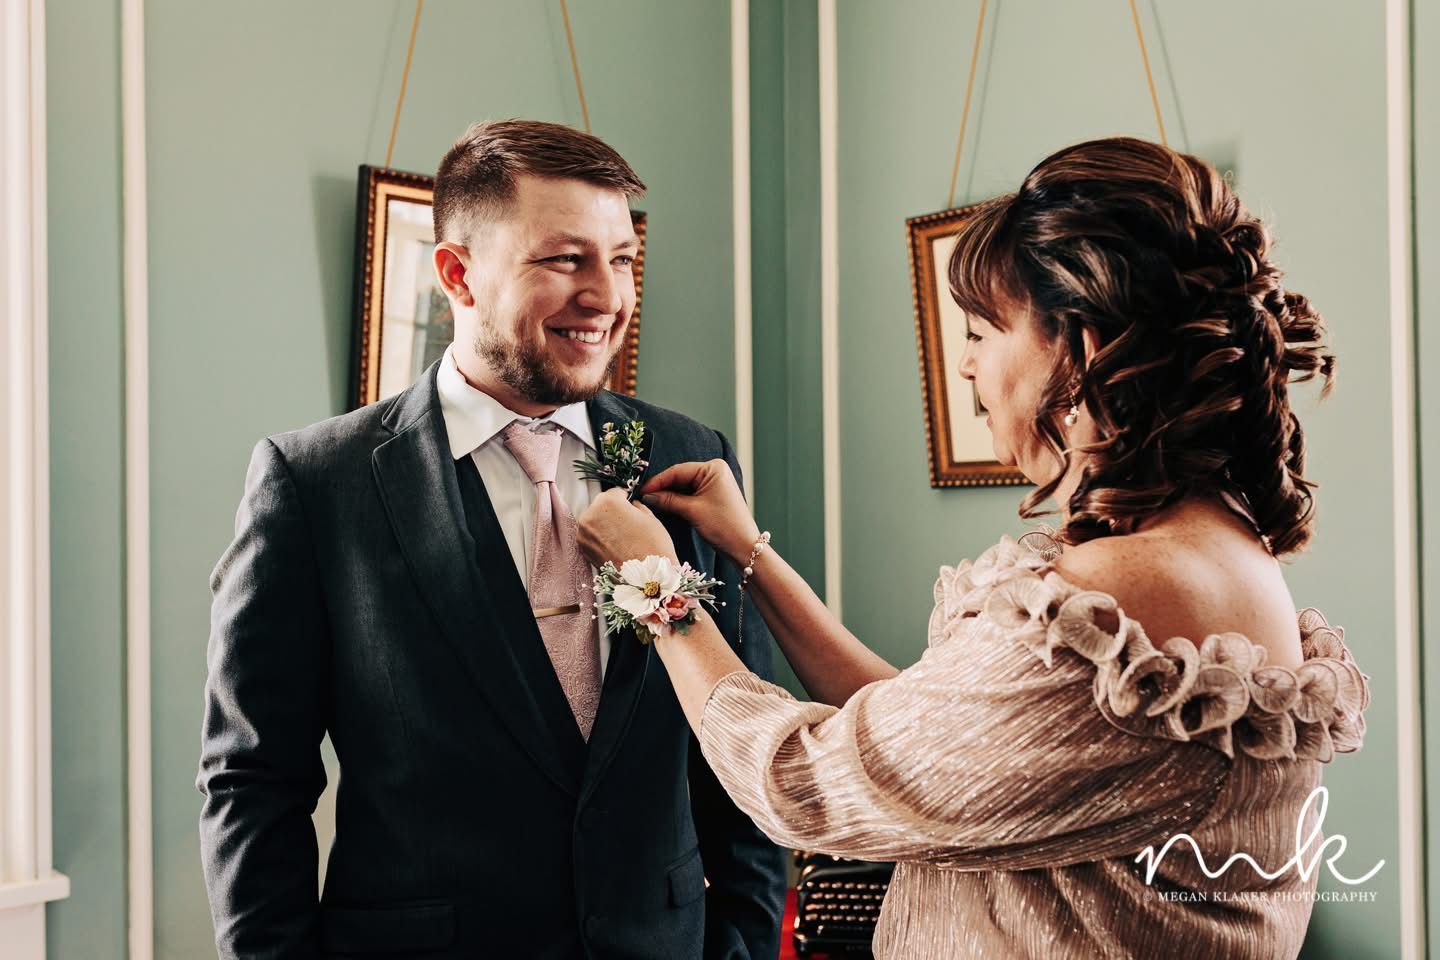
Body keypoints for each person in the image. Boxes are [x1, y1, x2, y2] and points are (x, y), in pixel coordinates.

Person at [577, 137, 1370, 959]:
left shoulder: (1127, 589)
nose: (965, 367)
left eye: (986, 331)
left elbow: (806, 785)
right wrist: (751, 554)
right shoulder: (1205, 544)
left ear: (1083, 347)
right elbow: (920, 735)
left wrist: (654, 583)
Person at [198, 119, 785, 960]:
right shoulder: (316, 483)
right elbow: (253, 781)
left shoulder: (689, 459)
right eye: (564, 259)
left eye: (620, 259)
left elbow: (747, 739)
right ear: (456, 273)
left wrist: (743, 944)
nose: (608, 296)